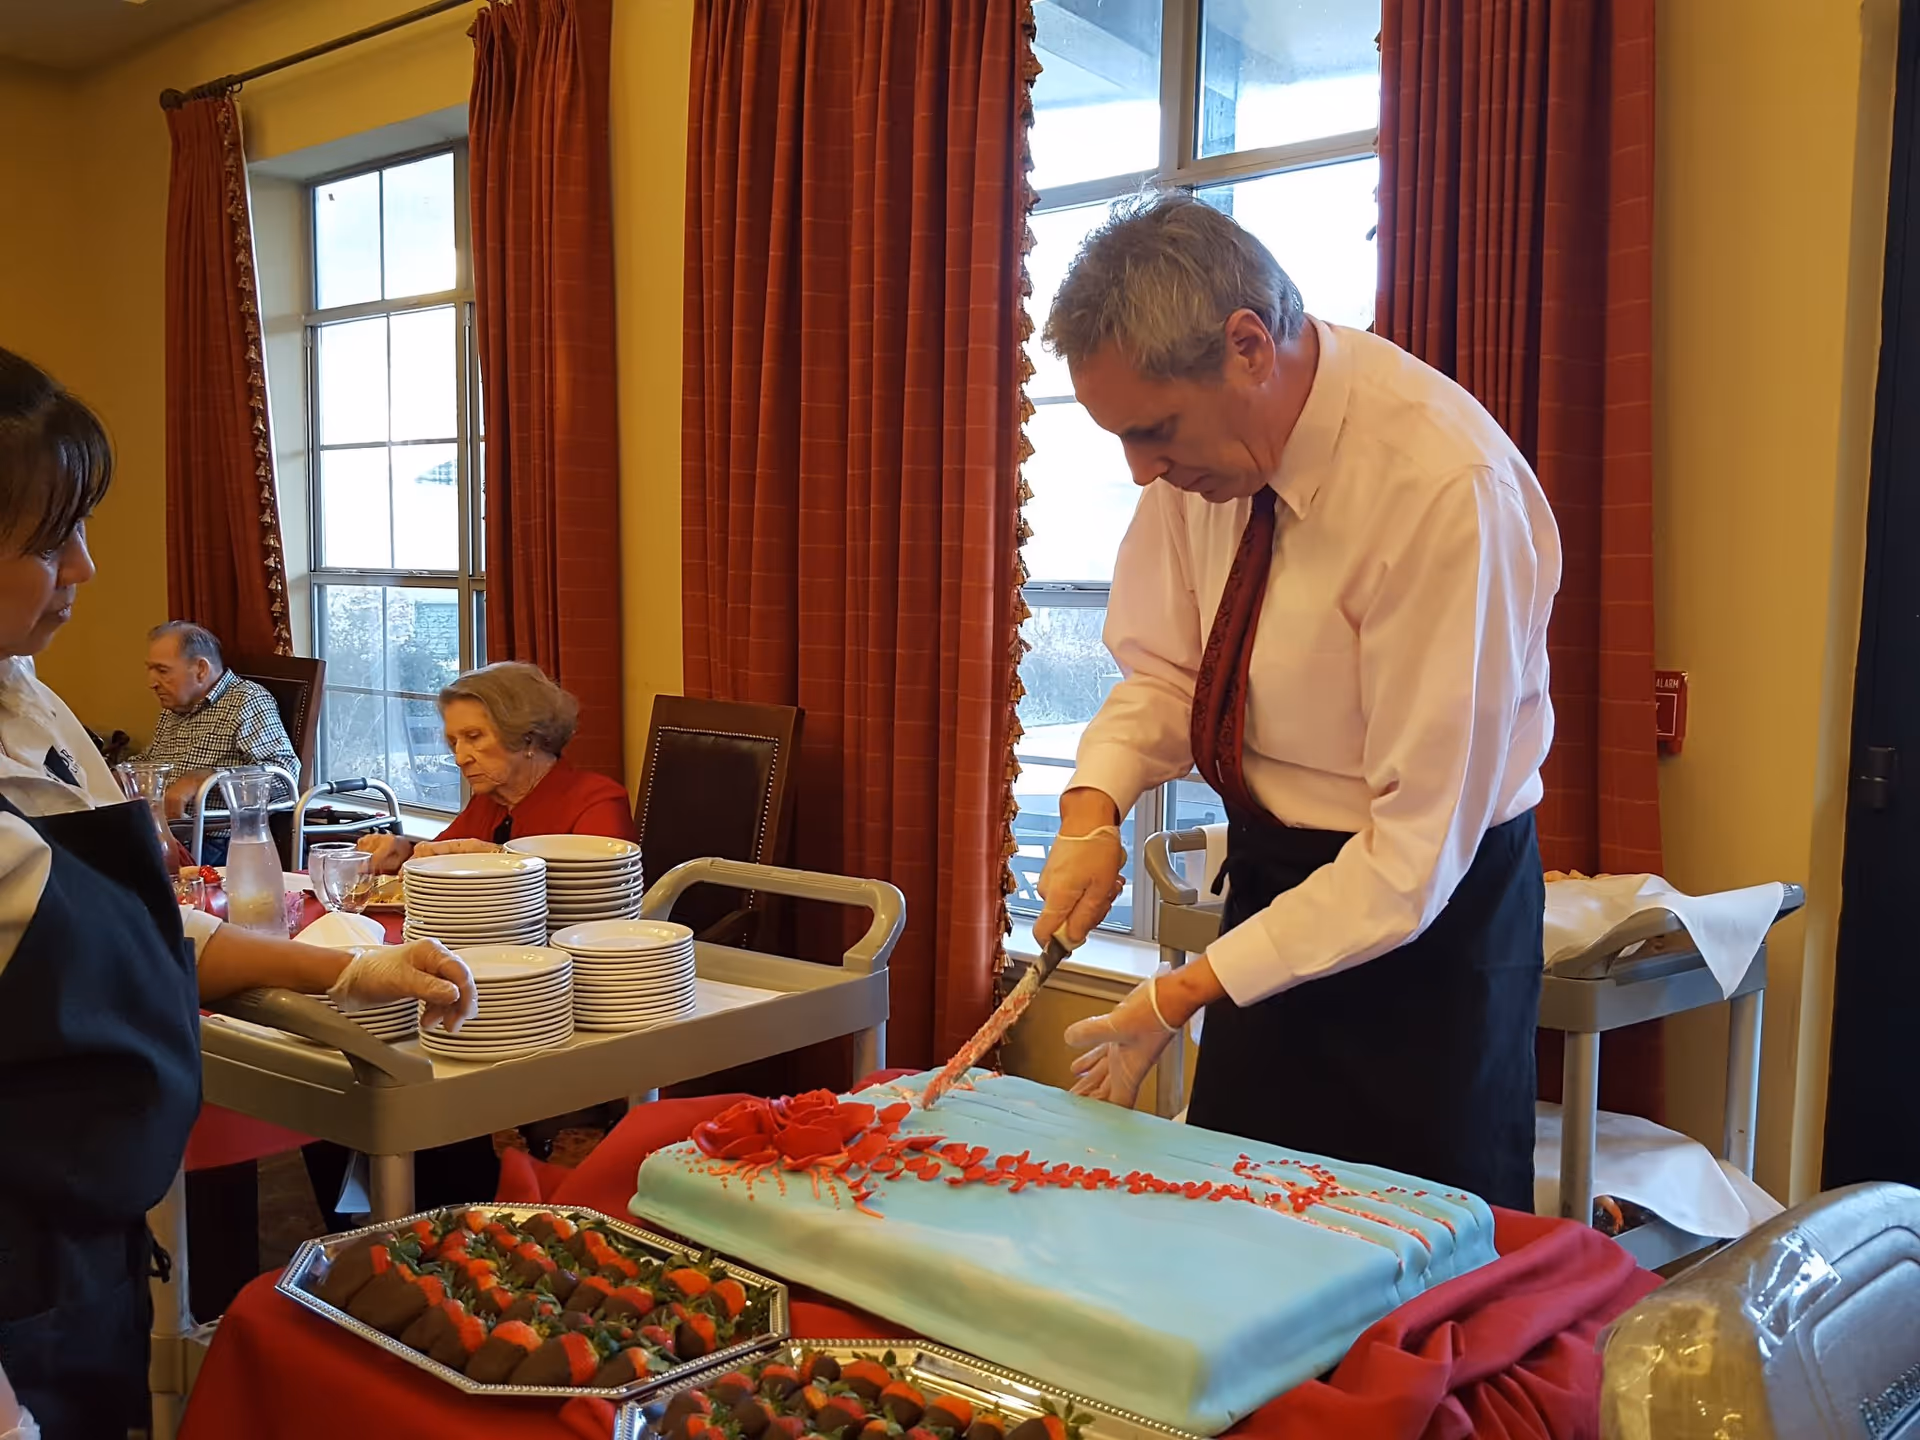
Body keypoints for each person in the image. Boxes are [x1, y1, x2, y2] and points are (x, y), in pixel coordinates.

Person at [1032, 195, 1557, 1213]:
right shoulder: (1200, 475)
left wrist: (1178, 992)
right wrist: (1091, 809)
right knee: (1240, 1229)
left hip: (1432, 926)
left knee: (1408, 1265)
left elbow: (1409, 861)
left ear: (1246, 348)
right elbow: (1172, 680)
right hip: (1272, 884)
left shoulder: (1444, 488)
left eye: (1154, 432)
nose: (1143, 472)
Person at [0, 347, 480, 1439]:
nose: (82, 568)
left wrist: (352, 967)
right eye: (46, 538)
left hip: (81, 1246)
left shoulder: (24, 697)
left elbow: (141, 923)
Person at [356, 660, 636, 873]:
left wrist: (496, 858)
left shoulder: (596, 802)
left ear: (527, 736)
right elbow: (441, 859)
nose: (460, 758)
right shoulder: (491, 800)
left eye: (474, 737)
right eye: (454, 742)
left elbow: (593, 895)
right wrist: (402, 852)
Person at [139, 619, 300, 824]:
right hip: (164, 830)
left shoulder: (246, 700)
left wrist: (206, 780)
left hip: (214, 839)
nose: (151, 683)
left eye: (162, 671)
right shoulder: (176, 705)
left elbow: (284, 777)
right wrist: (113, 775)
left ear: (201, 670)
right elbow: (151, 761)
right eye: (150, 670)